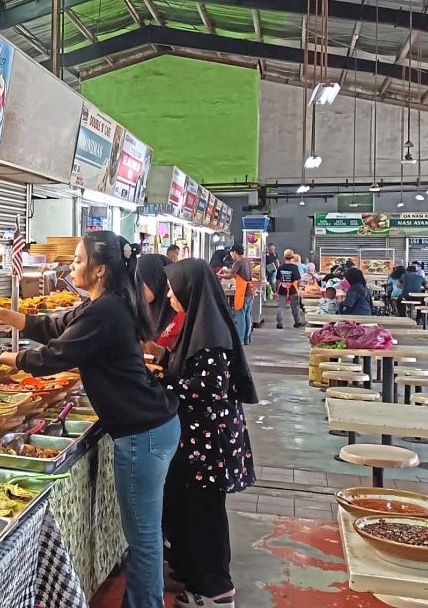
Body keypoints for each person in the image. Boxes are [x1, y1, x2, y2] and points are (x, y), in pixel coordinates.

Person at [0, 232, 179, 608]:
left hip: (143, 432)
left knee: (142, 537)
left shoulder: (106, 310)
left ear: (100, 269)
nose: (72, 267)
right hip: (152, 425)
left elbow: (50, 358)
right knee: (144, 533)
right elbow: (52, 326)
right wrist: (3, 315)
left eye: (78, 261)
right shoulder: (106, 301)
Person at [160, 258, 258, 608]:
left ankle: (217, 591)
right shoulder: (200, 325)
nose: (169, 296)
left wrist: (160, 380)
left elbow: (205, 389)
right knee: (194, 513)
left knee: (204, 516)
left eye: (173, 289)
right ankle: (200, 584)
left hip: (209, 445)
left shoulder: (210, 337)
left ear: (190, 290)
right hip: (200, 442)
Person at [138, 253, 183, 348]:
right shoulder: (139, 312)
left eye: (140, 282)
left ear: (157, 278)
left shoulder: (182, 315)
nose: (136, 288)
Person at [223, 244, 254, 345]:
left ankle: (239, 340)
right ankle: (246, 339)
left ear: (235, 252)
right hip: (250, 292)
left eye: (232, 253)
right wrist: (225, 270)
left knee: (240, 316)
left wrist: (218, 275)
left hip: (243, 292)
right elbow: (237, 273)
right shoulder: (247, 262)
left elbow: (231, 275)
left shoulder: (238, 262)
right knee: (247, 315)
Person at [275, 250, 304, 328]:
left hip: (282, 289)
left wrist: (276, 291)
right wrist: (297, 289)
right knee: (295, 307)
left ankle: (279, 323)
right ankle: (297, 322)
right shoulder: (295, 267)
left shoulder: (281, 267)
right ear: (293, 257)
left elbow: (277, 280)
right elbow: (298, 279)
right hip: (292, 289)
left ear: (284, 257)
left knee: (280, 307)